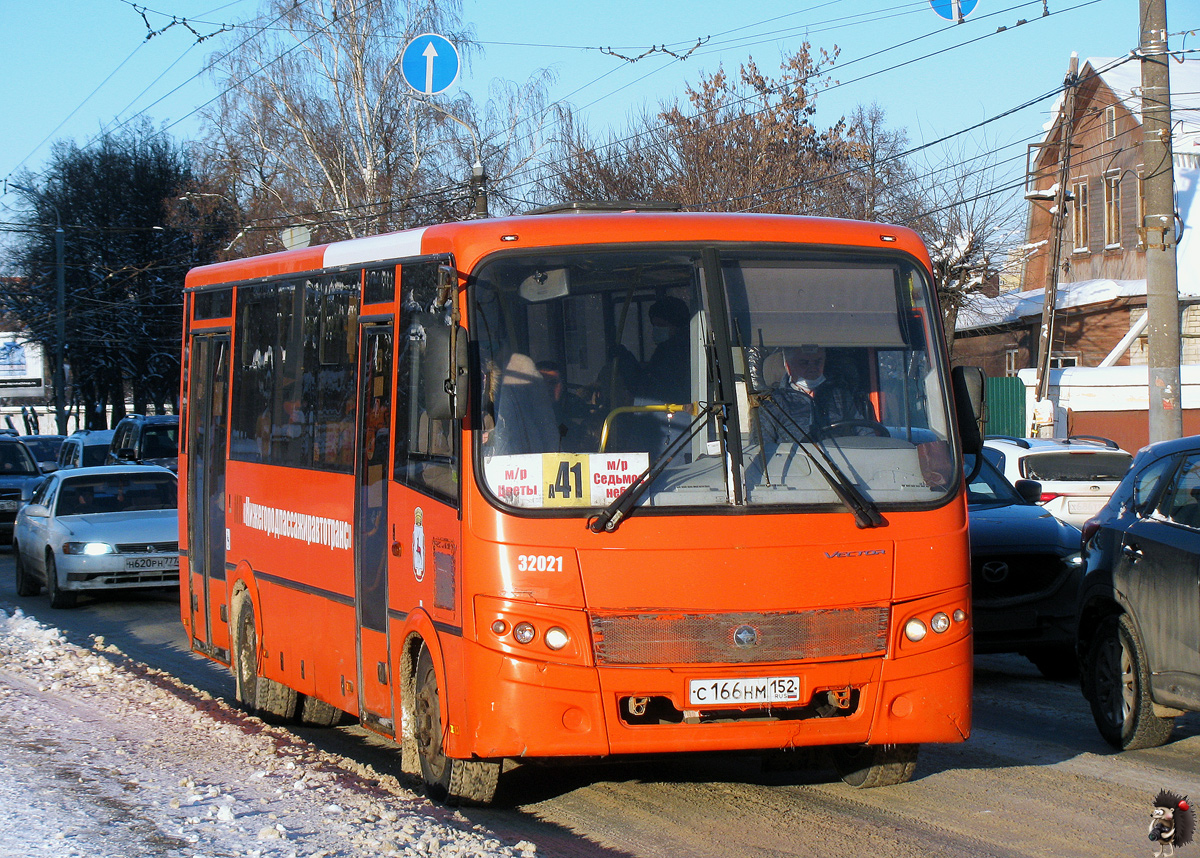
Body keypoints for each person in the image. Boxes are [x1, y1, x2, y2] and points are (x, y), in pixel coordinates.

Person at [760, 346, 875, 441]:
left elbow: (866, 434)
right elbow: (762, 452)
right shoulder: (772, 403)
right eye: (804, 363)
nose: (813, 368)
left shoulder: (840, 396)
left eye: (818, 362)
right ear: (789, 367)